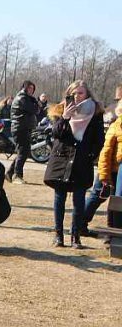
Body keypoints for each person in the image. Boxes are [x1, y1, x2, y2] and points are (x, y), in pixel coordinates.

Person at [43, 80, 104, 248]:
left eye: (81, 93)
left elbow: (99, 139)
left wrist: (90, 155)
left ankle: (75, 236)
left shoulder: (95, 112)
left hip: (82, 161)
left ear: (88, 94)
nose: (77, 96)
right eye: (74, 93)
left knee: (78, 200)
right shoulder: (61, 110)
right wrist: (64, 118)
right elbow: (56, 134)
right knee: (59, 198)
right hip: (61, 159)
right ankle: (58, 236)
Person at [81, 96, 122, 233]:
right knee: (97, 196)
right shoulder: (116, 127)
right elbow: (105, 153)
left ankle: (113, 232)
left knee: (116, 202)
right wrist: (104, 175)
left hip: (118, 172)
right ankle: (80, 224)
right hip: (110, 170)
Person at [8, 80, 39, 184]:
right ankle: (17, 175)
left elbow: (37, 109)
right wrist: (35, 103)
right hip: (20, 128)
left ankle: (10, 173)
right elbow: (35, 109)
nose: (31, 90)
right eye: (29, 88)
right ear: (24, 88)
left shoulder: (27, 98)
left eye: (32, 89)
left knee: (23, 152)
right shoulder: (22, 98)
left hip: (24, 127)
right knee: (23, 152)